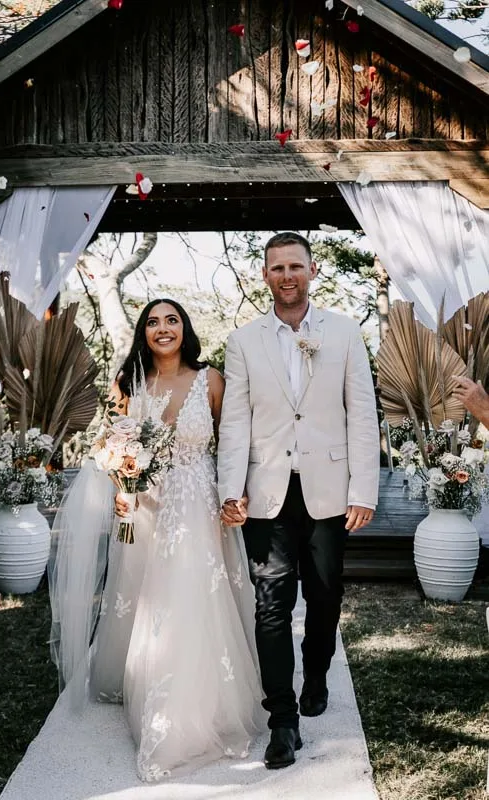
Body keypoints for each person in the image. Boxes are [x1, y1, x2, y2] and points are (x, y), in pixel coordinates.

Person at [48, 299, 265, 783]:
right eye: (152, 322)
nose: (162, 328)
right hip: (145, 507)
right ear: (143, 333)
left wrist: (237, 495)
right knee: (144, 597)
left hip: (197, 505)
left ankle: (193, 707)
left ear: (185, 328)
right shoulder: (128, 384)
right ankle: (142, 679)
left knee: (189, 597)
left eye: (171, 320)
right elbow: (109, 447)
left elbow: (233, 444)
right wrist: (120, 487)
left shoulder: (211, 380)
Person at [218, 231, 380, 770]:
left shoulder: (345, 332)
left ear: (312, 272)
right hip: (266, 494)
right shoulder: (243, 341)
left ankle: (316, 674)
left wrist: (363, 490)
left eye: (295, 266)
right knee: (271, 605)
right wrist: (230, 489)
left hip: (330, 491)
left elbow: (362, 414)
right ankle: (282, 722)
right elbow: (235, 422)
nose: (286, 276)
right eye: (277, 268)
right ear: (265, 275)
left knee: (326, 596)